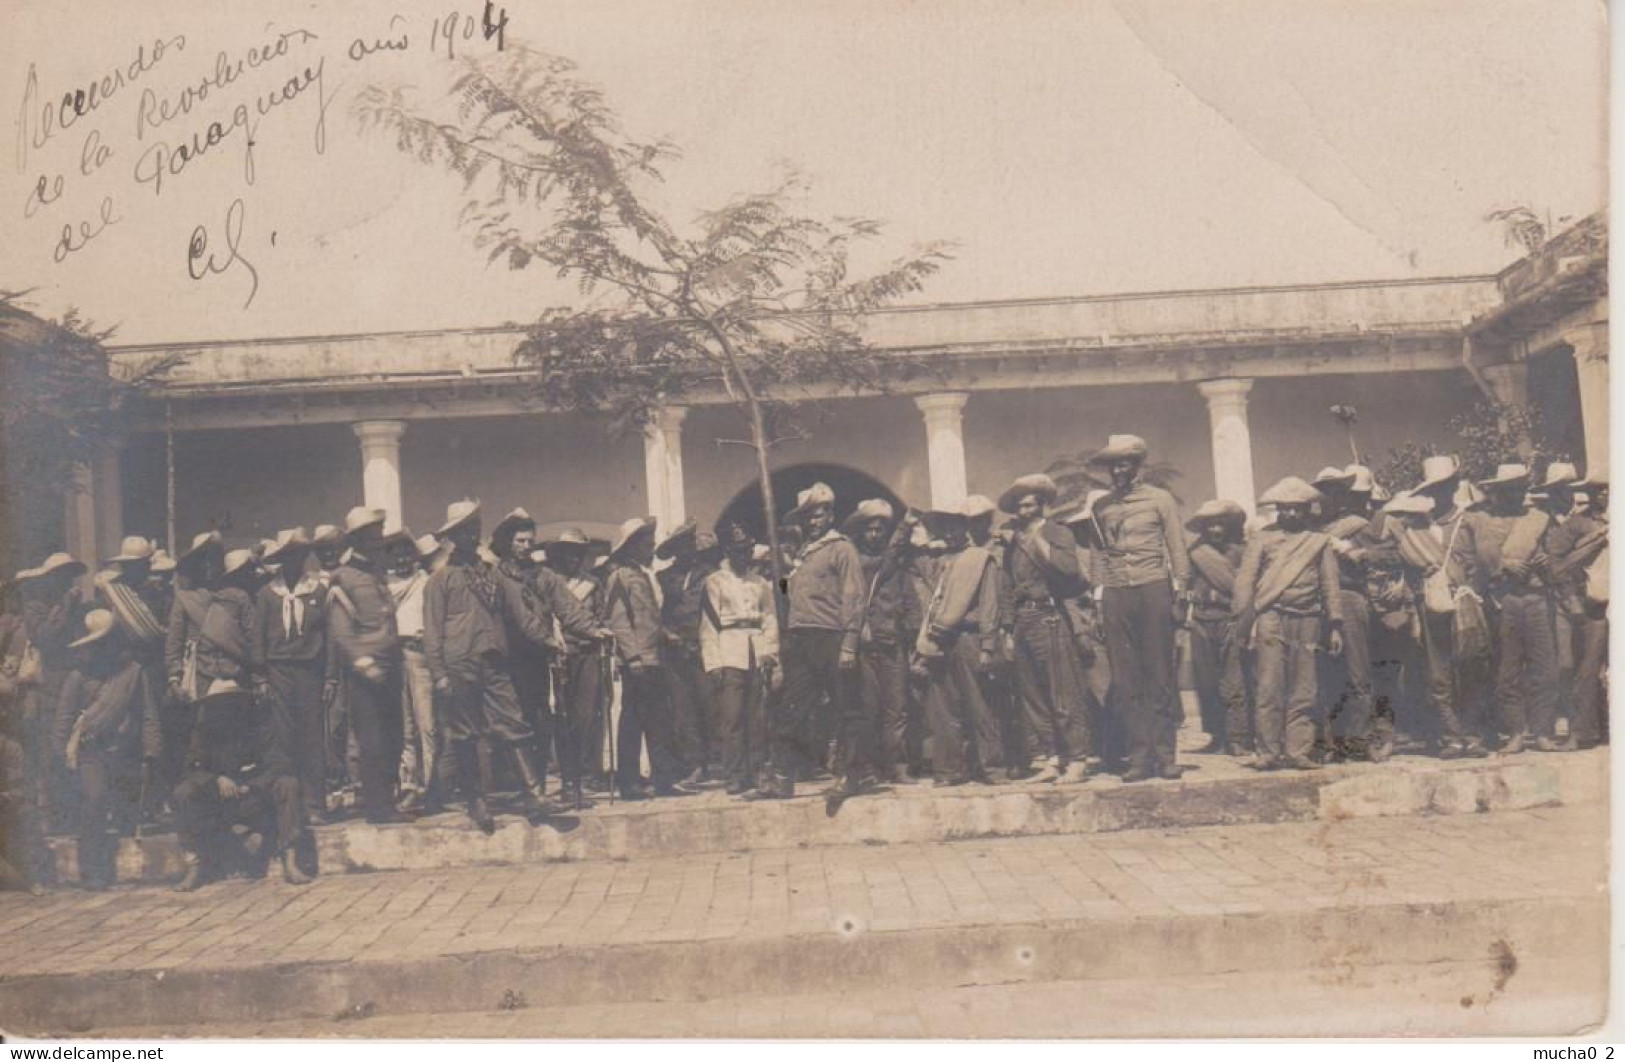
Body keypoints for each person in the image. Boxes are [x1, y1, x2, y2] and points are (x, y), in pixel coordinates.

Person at [1088, 435, 1192, 782]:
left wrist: (1181, 594)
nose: (1118, 470)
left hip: (1153, 589)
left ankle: (1166, 756)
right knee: (1126, 677)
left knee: (1159, 674)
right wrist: (1099, 600)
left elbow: (1177, 547)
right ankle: (1139, 757)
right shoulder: (1100, 506)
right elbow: (1099, 555)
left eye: (1124, 463)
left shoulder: (1160, 500)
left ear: (1137, 465)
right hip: (1117, 594)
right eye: (1113, 464)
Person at [755, 483, 865, 800]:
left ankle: (849, 776)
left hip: (832, 636)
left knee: (847, 708)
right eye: (808, 518)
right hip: (801, 639)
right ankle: (781, 777)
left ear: (830, 514)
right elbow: (791, 594)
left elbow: (854, 598)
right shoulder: (804, 553)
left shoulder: (842, 549)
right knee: (792, 707)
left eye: (818, 515)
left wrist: (849, 644)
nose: (813, 522)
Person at [1231, 478, 1344, 771]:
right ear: (1278, 509)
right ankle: (1267, 751)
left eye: (1297, 509)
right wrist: (1245, 619)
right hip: (1270, 617)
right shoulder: (1262, 539)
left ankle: (1298, 751)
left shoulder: (1318, 542)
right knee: (1269, 685)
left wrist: (1334, 625)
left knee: (1305, 687)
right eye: (1286, 509)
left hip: (1308, 618)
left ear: (1307, 510)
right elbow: (1246, 580)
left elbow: (1329, 584)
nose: (1292, 515)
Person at [1386, 456, 1493, 757]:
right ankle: (1452, 736)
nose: (1439, 494)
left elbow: (1485, 564)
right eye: (1434, 488)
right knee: (1439, 672)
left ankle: (1473, 734)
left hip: (1467, 605)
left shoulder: (1470, 520)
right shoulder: (1415, 528)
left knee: (1472, 666)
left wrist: (1474, 592)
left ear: (1455, 486)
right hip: (1430, 607)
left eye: (1445, 486)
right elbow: (1408, 574)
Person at [170, 680, 309, 892]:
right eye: (220, 703)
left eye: (233, 702)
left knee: (288, 784)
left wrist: (251, 786)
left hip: (255, 801)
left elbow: (279, 763)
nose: (227, 708)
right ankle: (195, 866)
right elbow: (190, 768)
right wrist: (216, 779)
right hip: (218, 804)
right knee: (183, 792)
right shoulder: (204, 731)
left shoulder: (259, 727)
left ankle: (290, 861)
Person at [998, 473, 1092, 783]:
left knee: (1063, 693)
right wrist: (1008, 629)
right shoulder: (1013, 543)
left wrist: (1037, 540)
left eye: (1028, 506)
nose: (1022, 512)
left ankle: (1078, 759)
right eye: (1018, 507)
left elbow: (1069, 570)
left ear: (1042, 506)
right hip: (1024, 621)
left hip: (1050, 618)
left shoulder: (1057, 533)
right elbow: (1008, 586)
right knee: (1033, 696)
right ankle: (1053, 758)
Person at [56, 610, 158, 889]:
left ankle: (117, 868)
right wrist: (61, 758)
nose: (104, 648)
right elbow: (64, 719)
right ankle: (92, 871)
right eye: (98, 643)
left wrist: (151, 751)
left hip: (125, 751)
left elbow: (148, 713)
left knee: (124, 808)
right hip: (91, 752)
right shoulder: (79, 676)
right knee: (95, 800)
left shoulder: (134, 673)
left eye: (109, 641)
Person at [1466, 462, 1563, 753]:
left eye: (1519, 488)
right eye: (1508, 489)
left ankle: (1543, 731)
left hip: (1536, 598)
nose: (1514, 494)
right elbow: (1478, 566)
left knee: (1544, 667)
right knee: (1507, 669)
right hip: (1504, 600)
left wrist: (1548, 564)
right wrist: (1503, 566)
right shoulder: (1485, 522)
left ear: (1524, 489)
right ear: (1498, 491)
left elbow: (1558, 561)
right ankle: (1516, 733)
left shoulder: (1540, 518)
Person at [912, 509, 1003, 787]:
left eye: (955, 527)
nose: (950, 533)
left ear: (965, 527)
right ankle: (949, 770)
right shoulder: (936, 561)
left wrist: (988, 646)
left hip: (968, 637)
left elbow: (990, 604)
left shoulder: (979, 559)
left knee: (979, 704)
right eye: (944, 527)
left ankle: (989, 767)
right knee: (942, 706)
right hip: (939, 639)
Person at [327, 506, 407, 823]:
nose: (378, 541)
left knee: (394, 737)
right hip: (366, 673)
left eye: (379, 534)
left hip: (390, 666)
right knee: (372, 740)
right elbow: (341, 632)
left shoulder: (376, 574)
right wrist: (363, 663)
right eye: (372, 536)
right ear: (358, 540)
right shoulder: (343, 578)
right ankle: (378, 807)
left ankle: (387, 801)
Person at [602, 515, 686, 800]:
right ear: (630, 547)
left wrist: (665, 634)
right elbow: (620, 621)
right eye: (644, 545)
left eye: (651, 544)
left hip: (655, 659)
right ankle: (629, 783)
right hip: (638, 662)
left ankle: (664, 780)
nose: (650, 549)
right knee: (633, 722)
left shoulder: (644, 576)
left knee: (659, 720)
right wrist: (632, 657)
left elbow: (648, 618)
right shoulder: (620, 577)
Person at [254, 529, 334, 824]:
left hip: (310, 670)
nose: (293, 562)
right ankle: (289, 806)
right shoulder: (267, 594)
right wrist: (261, 677)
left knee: (312, 736)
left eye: (298, 556)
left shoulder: (317, 591)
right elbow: (258, 637)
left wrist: (330, 676)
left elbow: (329, 636)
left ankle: (315, 805)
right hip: (278, 671)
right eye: (288, 556)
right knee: (283, 738)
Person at [699, 520, 781, 796]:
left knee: (757, 715)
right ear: (726, 550)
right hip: (728, 650)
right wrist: (713, 662)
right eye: (736, 549)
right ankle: (734, 774)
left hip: (756, 649)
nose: (742, 555)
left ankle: (757, 770)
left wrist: (770, 651)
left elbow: (769, 617)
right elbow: (708, 625)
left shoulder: (761, 583)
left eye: (746, 549)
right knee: (731, 717)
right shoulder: (714, 582)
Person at [846, 500, 921, 785]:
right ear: (861, 533)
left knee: (897, 708)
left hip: (893, 645)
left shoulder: (897, 570)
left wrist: (915, 639)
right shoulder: (856, 562)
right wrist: (904, 528)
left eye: (880, 530)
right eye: (870, 530)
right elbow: (885, 560)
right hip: (865, 648)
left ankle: (897, 765)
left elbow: (910, 602)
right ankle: (869, 768)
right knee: (869, 709)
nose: (874, 535)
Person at [1311, 465, 1382, 761]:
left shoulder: (1358, 525)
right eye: (1326, 491)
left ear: (1345, 494)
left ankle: (1359, 740)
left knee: (1357, 671)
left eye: (1338, 490)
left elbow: (1387, 554)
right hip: (1318, 602)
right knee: (1325, 674)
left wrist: (1356, 552)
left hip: (1350, 597)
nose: (1332, 497)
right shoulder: (1311, 529)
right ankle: (1330, 742)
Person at [16, 553, 88, 834]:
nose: (65, 580)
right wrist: (66, 607)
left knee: (76, 746)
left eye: (69, 574)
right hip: (50, 686)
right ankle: (58, 818)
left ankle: (74, 814)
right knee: (52, 750)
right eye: (60, 575)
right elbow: (46, 638)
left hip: (74, 680)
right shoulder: (36, 607)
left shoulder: (76, 606)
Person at [1056, 493, 1121, 770]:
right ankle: (1104, 751)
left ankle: (1118, 749)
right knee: (1098, 691)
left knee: (1119, 690)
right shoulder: (1073, 559)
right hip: (1088, 629)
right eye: (1081, 527)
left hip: (1115, 628)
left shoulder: (1109, 554)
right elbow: (1067, 598)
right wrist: (1081, 631)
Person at [544, 528, 610, 801]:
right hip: (559, 655)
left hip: (588, 654)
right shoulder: (550, 582)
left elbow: (600, 617)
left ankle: (585, 772)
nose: (573, 558)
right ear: (559, 555)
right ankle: (568, 777)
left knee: (587, 715)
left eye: (578, 552)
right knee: (562, 716)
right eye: (568, 552)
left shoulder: (593, 584)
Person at [658, 521, 722, 787]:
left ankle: (718, 762)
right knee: (683, 708)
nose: (687, 551)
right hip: (673, 650)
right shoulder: (663, 578)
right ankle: (694, 764)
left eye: (690, 545)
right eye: (680, 546)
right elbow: (654, 612)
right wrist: (667, 634)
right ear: (674, 550)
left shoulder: (711, 575)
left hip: (702, 646)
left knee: (711, 703)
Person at [1184, 499, 1251, 756]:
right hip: (1202, 620)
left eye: (1219, 524)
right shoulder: (1196, 553)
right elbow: (1185, 583)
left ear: (1228, 526)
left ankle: (1238, 737)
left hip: (1230, 618)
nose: (1215, 530)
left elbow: (1246, 588)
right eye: (1209, 525)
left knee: (1233, 680)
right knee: (1207, 682)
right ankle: (1216, 735)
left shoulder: (1241, 552)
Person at [1548, 471, 1608, 749]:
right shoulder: (1578, 524)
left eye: (1609, 489)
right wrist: (1571, 596)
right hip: (1596, 604)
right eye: (1598, 489)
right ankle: (1583, 733)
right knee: (1587, 668)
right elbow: (1557, 563)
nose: (1604, 494)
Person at [393, 531, 447, 815]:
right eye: (396, 554)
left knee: (428, 724)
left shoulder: (425, 582)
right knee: (405, 727)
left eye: (407, 553)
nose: (402, 559)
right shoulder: (385, 585)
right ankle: (409, 786)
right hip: (395, 656)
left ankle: (430, 787)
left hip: (421, 653)